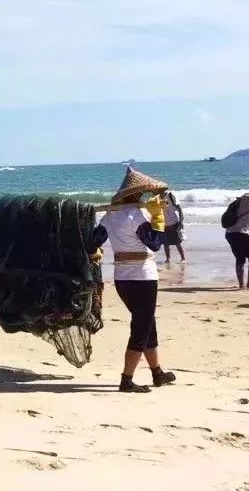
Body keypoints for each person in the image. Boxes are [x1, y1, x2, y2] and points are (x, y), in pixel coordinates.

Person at [89, 166, 176, 393]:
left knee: (148, 324)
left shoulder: (110, 216)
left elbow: (93, 242)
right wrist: (157, 217)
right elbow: (154, 244)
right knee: (141, 327)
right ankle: (126, 379)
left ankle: (157, 373)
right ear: (137, 194)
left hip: (122, 279)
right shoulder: (138, 215)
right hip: (143, 278)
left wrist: (96, 252)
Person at [161, 191, 186, 263]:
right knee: (165, 243)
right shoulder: (157, 197)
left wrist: (181, 221)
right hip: (163, 223)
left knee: (177, 242)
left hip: (174, 222)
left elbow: (179, 208)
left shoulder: (171, 195)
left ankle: (183, 258)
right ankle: (167, 259)